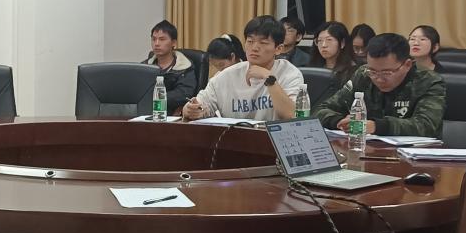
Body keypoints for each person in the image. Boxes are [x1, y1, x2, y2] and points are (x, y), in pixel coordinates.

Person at [314, 33, 446, 137]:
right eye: (373, 71)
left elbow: (426, 126)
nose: (378, 79)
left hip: (413, 157)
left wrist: (376, 126)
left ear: (407, 65)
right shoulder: (363, 74)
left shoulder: (429, 81)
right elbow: (321, 110)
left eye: (386, 72)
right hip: (366, 151)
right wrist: (339, 122)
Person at [183, 16, 304, 122]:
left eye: (263, 43)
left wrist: (269, 78)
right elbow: (197, 105)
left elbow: (292, 116)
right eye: (250, 41)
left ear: (278, 49)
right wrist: (191, 110)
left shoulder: (289, 74)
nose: (254, 48)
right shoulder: (226, 75)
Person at [141, 20, 197, 114]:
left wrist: (155, 97)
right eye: (154, 39)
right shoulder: (144, 66)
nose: (156, 43)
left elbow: (184, 94)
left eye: (162, 39)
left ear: (173, 43)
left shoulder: (184, 67)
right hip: (145, 113)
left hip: (172, 115)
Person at [307, 21, 359, 104]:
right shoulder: (312, 69)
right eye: (319, 41)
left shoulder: (353, 71)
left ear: (342, 43)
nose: (323, 45)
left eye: (329, 40)